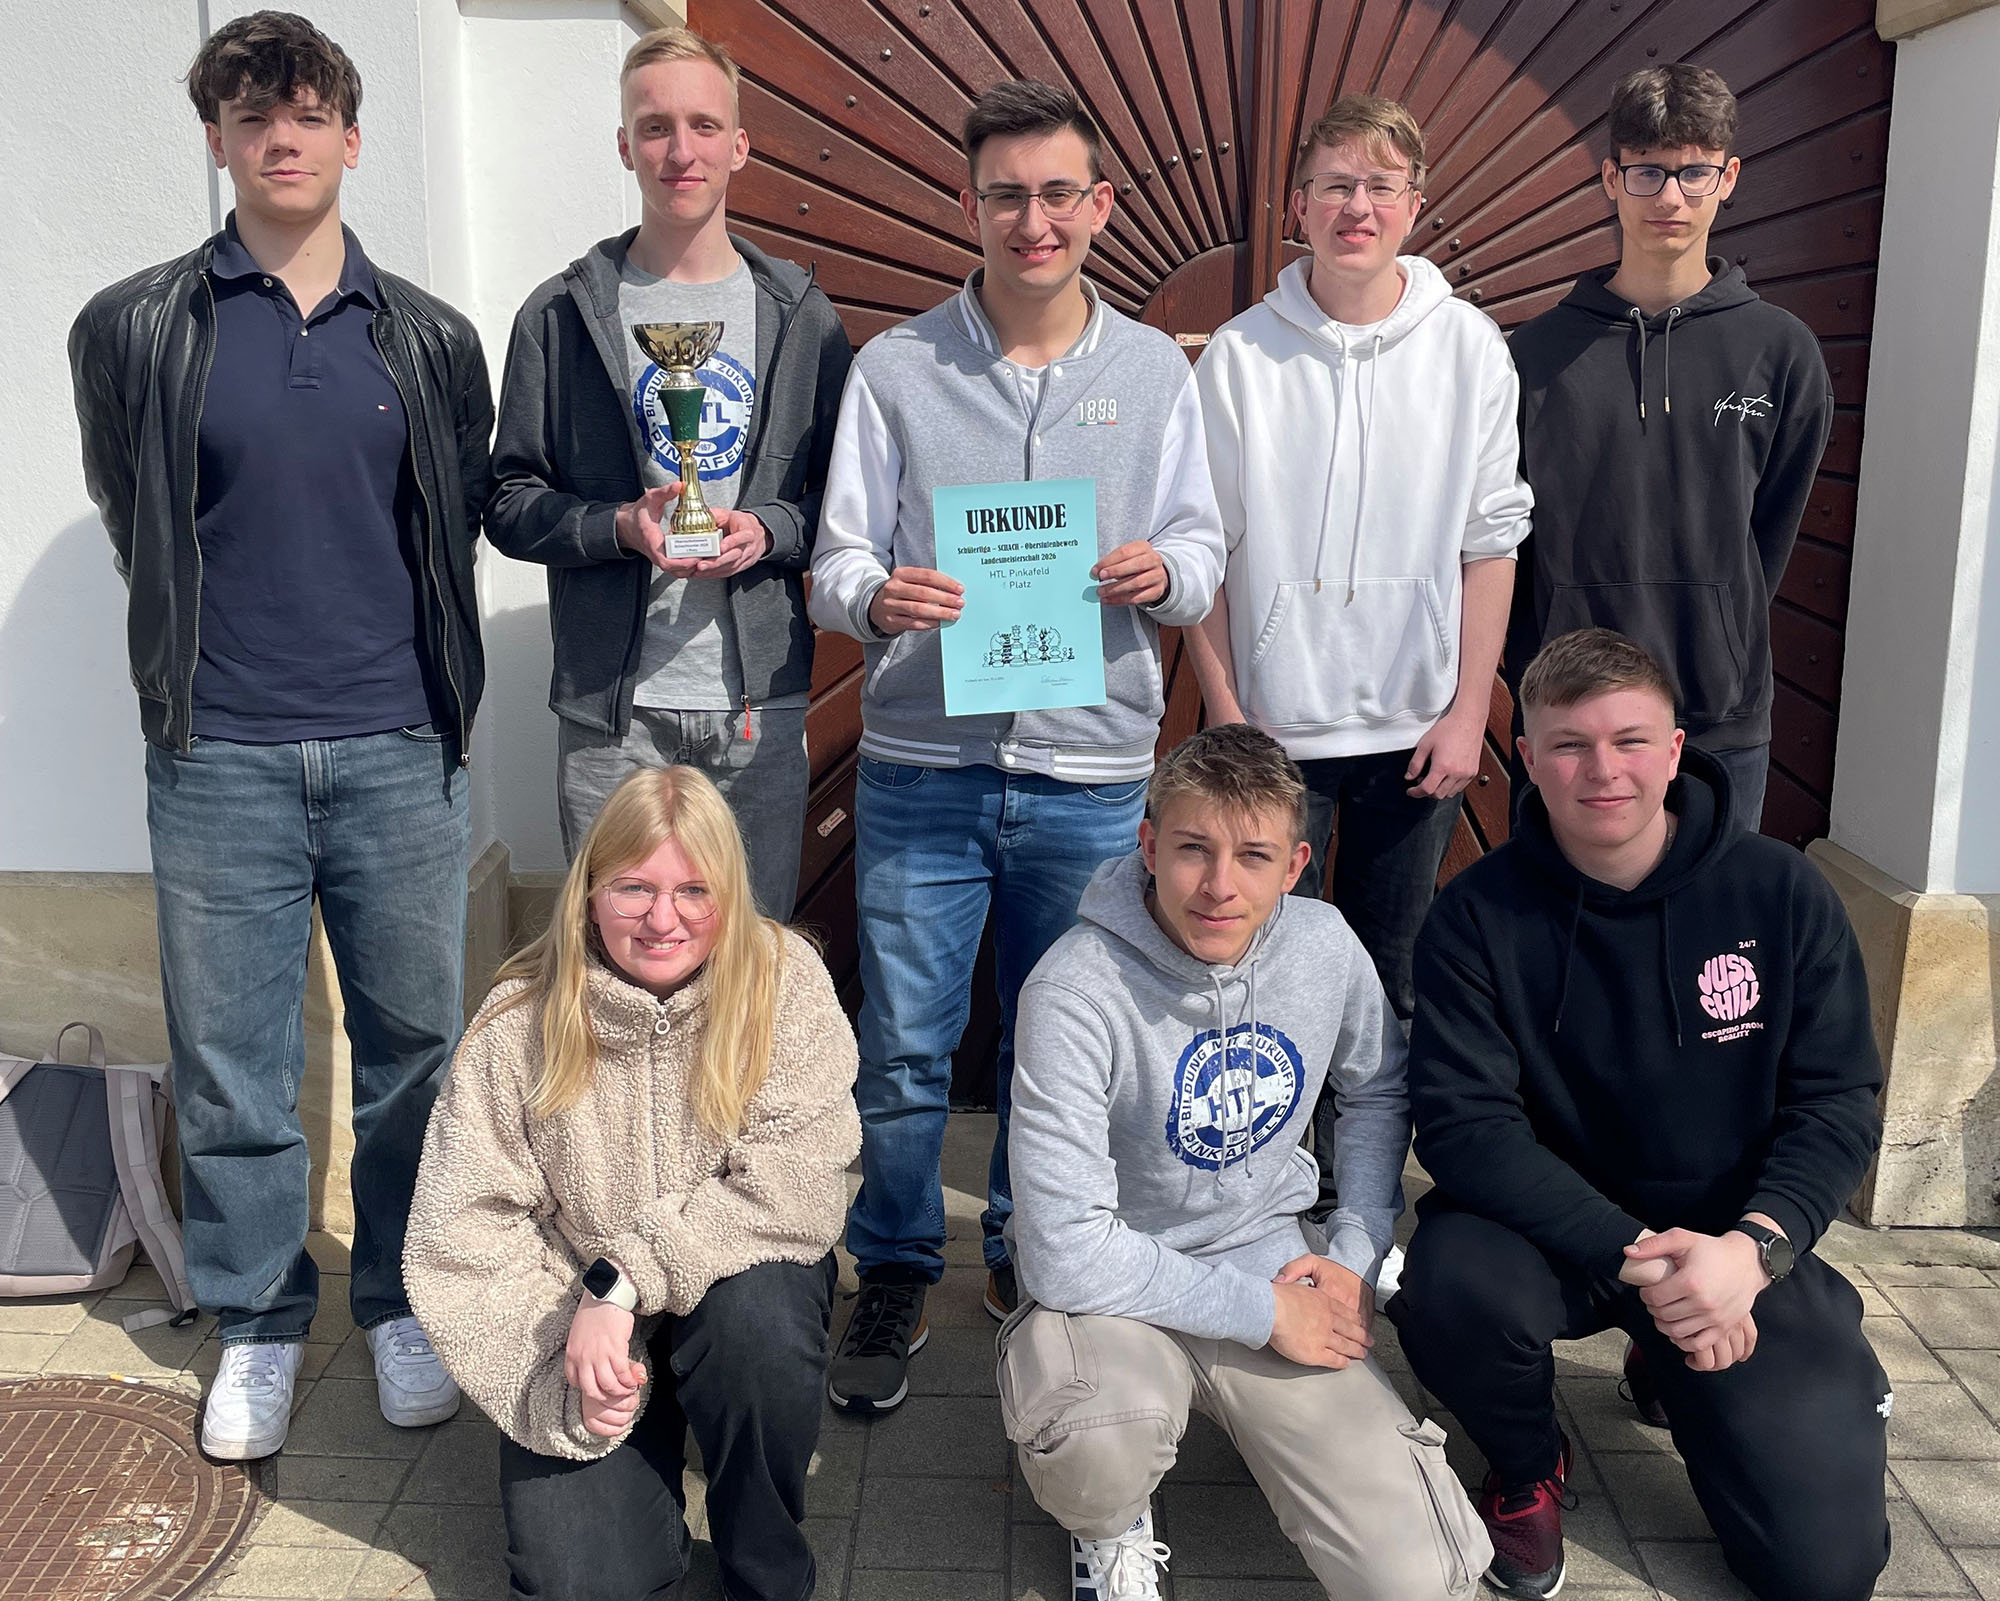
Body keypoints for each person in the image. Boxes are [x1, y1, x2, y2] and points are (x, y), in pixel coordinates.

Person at [67, 10, 491, 1459]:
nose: (281, 138)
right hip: (221, 754)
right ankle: (256, 1318)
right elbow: (136, 516)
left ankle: (403, 1298)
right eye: (253, 116)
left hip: (399, 748)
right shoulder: (133, 325)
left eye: (307, 114)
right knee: (232, 1060)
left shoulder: (428, 337)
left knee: (414, 1053)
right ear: (218, 139)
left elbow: (447, 525)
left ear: (351, 139)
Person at [808, 79, 1225, 1409]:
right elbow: (835, 559)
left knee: (1058, 1048)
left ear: (1098, 205)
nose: (1032, 221)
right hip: (923, 767)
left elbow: (1205, 549)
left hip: (1090, 777)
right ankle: (892, 1262)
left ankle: (1027, 1249)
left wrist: (1165, 572)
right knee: (904, 1046)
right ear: (970, 204)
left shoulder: (1152, 372)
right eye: (1005, 196)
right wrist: (878, 597)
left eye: (1056, 194)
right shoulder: (897, 368)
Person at [1386, 628, 1889, 1601]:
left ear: (1674, 748)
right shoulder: (1475, 916)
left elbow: (1835, 1104)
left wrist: (1753, 1251)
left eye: (1629, 739)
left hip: (1732, 1239)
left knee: (1821, 1575)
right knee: (1443, 1285)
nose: (1602, 769)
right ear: (1526, 757)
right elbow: (1463, 1128)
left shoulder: (1781, 893)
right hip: (1551, 1235)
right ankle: (1527, 1464)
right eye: (1569, 744)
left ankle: (1681, 1357)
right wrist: (1647, 1260)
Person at [1001, 723, 1489, 1601]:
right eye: (1193, 848)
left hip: (1270, 1256)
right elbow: (1064, 1249)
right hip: (1111, 1283)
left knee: (1418, 1580)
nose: (1220, 885)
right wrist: (1263, 1314)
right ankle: (1107, 1529)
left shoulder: (1325, 944)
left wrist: (1354, 1250)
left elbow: (1377, 1087)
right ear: (1149, 845)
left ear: (1295, 864)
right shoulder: (1073, 988)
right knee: (1097, 1444)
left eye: (1253, 856)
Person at [403, 766, 860, 1601]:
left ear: (730, 892)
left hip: (729, 1293)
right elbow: (459, 1232)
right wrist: (558, 1372)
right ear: (588, 894)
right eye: (634, 888)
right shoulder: (518, 1022)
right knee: (580, 1582)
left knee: (759, 1325)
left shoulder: (784, 981)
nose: (663, 918)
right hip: (578, 1324)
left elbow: (798, 1179)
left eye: (694, 889)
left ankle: (766, 1569)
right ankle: (639, 1471)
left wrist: (623, 1279)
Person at [1188, 93, 1531, 1202]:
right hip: (1275, 732)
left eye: (1380, 185)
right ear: (1297, 206)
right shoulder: (1240, 357)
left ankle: (1361, 1199)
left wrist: (1469, 710)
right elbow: (1204, 546)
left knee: (1387, 986)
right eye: (1335, 183)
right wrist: (1227, 713)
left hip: (1414, 730)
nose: (1357, 206)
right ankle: (1256, 1190)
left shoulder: (1468, 349)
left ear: (1414, 206)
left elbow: (1491, 541)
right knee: (1256, 975)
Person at [484, 25, 852, 917]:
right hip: (612, 713)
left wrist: (769, 530)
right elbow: (508, 500)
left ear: (740, 145)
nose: (680, 151)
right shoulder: (561, 313)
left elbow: (848, 505)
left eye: (702, 125)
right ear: (624, 146)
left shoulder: (800, 315)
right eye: (655, 128)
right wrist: (616, 526)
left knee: (752, 955)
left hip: (756, 707)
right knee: (615, 961)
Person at [1507, 64, 1834, 836]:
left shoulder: (1780, 352)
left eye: (1694, 173)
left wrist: (1714, 624)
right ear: (1611, 179)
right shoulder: (1532, 356)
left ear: (1729, 178)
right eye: (1648, 172)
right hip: (1570, 716)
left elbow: (1767, 535)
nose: (1671, 197)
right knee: (1568, 913)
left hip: (1719, 715)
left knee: (1714, 914)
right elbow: (1508, 543)